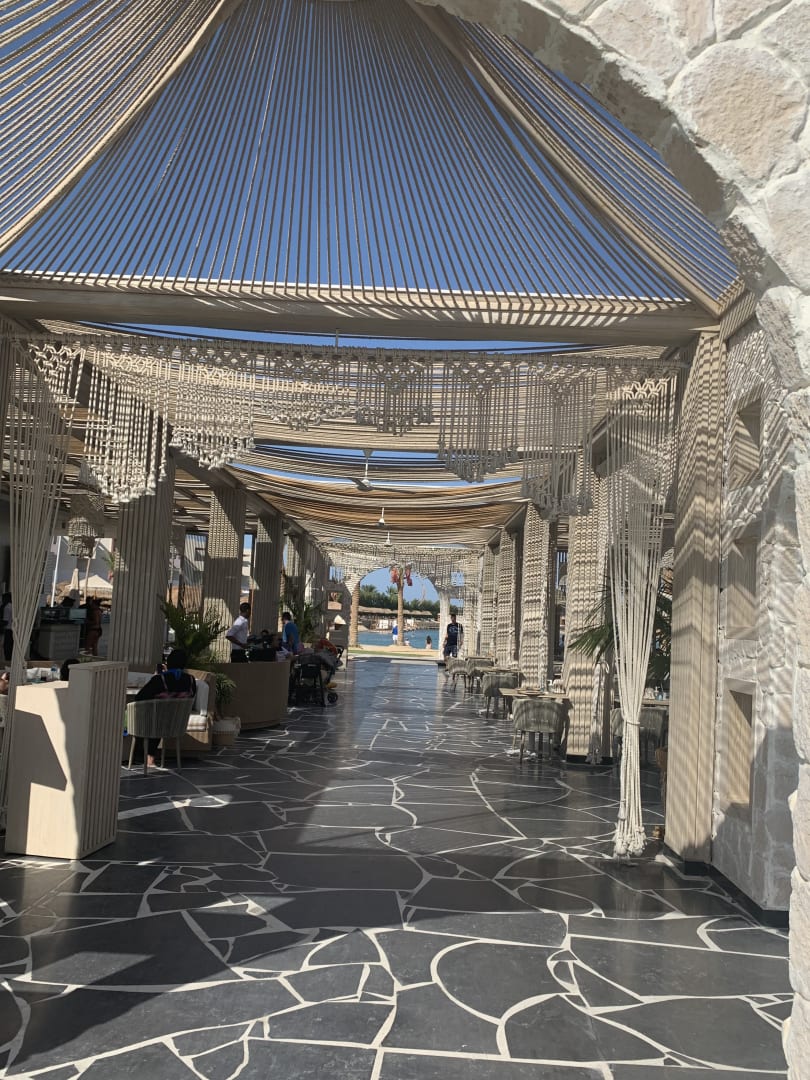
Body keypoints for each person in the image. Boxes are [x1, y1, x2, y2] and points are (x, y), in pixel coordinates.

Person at [134, 648, 197, 766]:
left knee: (142, 714)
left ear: (168, 663)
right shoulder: (191, 680)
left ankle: (143, 754)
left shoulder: (160, 680)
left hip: (157, 723)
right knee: (160, 716)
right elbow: (192, 696)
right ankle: (150, 756)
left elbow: (139, 697)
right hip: (178, 723)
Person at [1, 593, 12, 662]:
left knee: (7, 648)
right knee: (11, 648)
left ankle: (7, 663)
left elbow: (5, 621)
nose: (2, 600)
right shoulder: (13, 606)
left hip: (8, 630)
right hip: (13, 630)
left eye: (3, 598)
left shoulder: (7, 607)